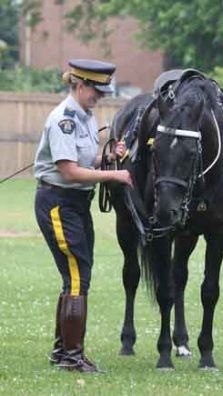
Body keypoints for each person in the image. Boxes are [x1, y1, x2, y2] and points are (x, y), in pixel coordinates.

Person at [34, 58, 132, 373]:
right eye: (96, 91)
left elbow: (85, 163)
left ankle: (63, 352)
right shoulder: (64, 119)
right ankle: (72, 358)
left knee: (75, 276)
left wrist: (108, 158)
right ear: (80, 85)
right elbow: (70, 171)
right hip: (59, 202)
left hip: (76, 204)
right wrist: (115, 176)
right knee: (77, 277)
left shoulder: (86, 117)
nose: (100, 97)